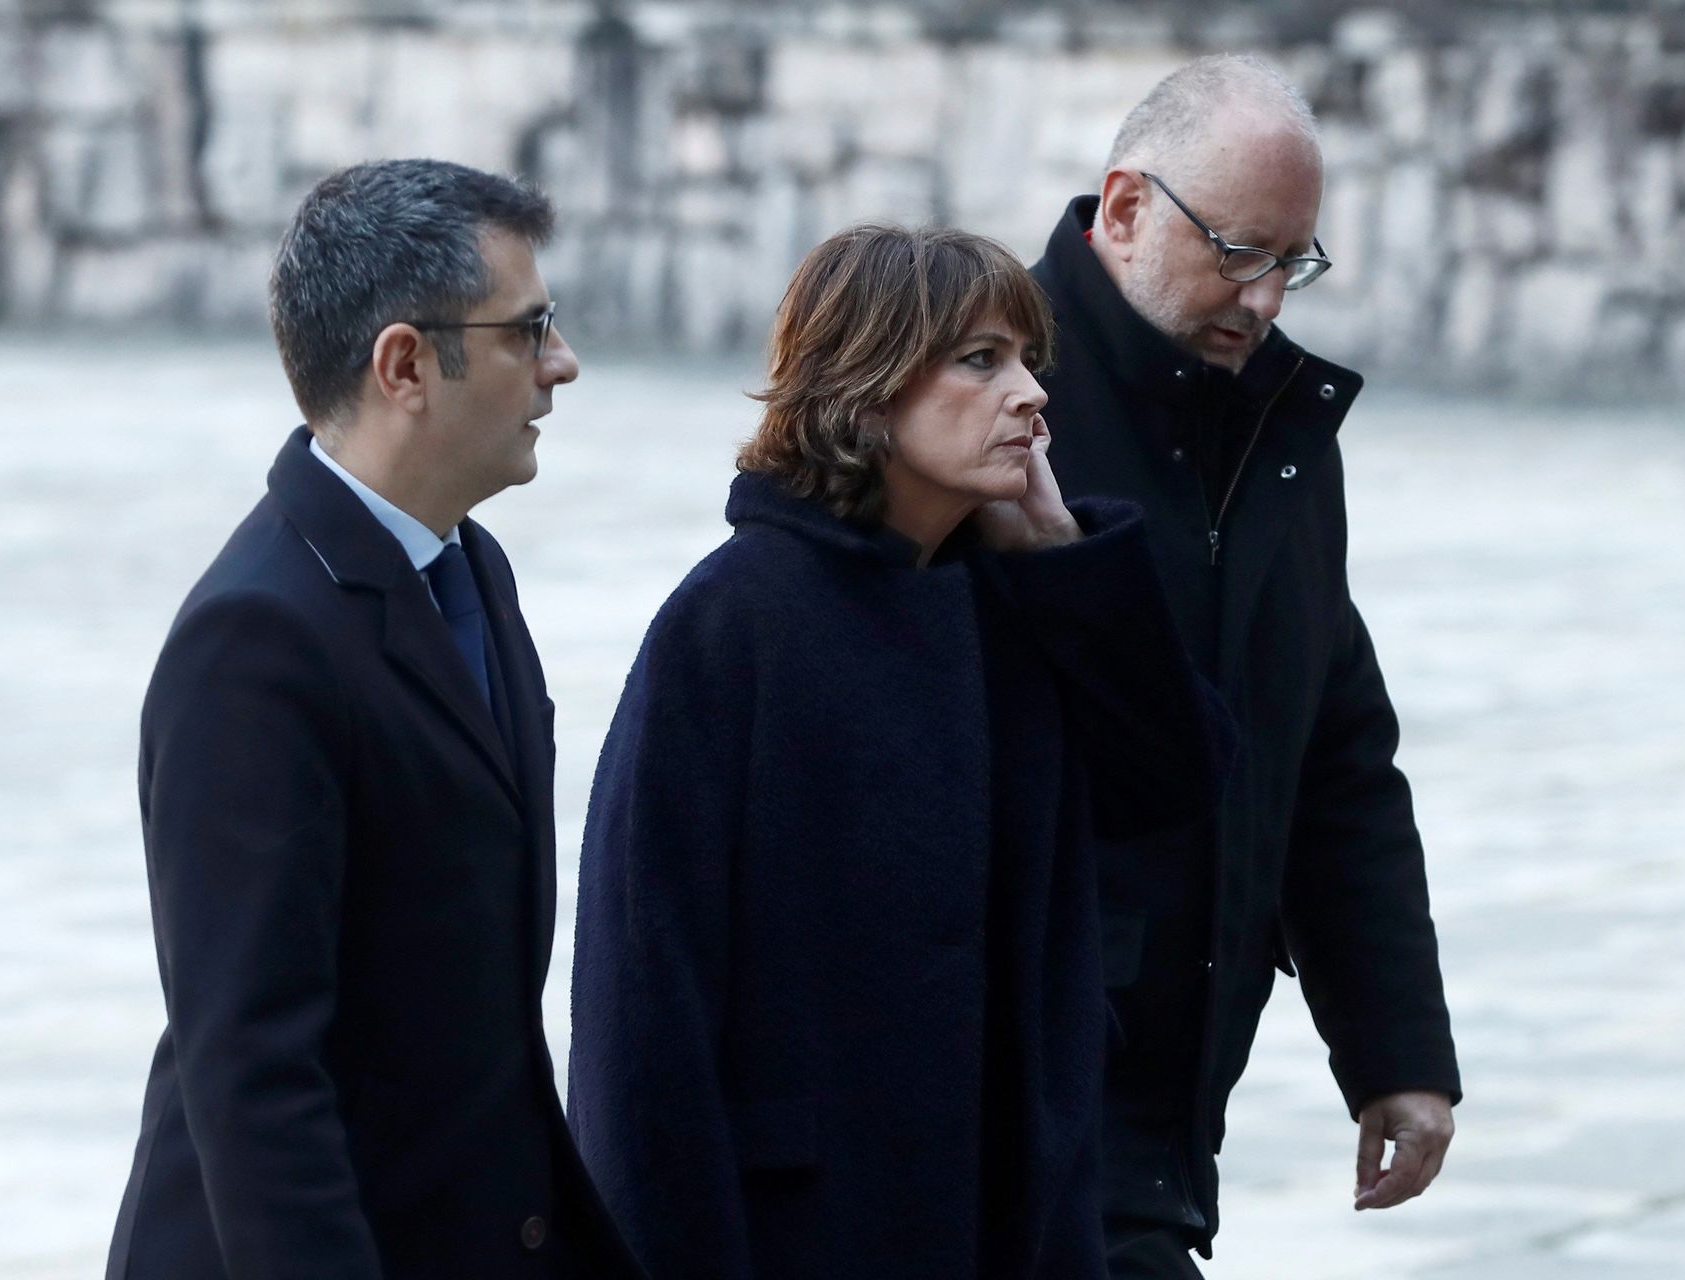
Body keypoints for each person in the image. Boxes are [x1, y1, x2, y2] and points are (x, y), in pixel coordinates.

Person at [566, 224, 1232, 1280]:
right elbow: (641, 1017)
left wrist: (1068, 562)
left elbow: (1178, 789)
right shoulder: (730, 625)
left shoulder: (1023, 605)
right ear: (867, 388)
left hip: (1025, 1222)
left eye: (1029, 360)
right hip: (805, 1231)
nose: (1031, 394)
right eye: (981, 360)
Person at [106, 159, 641, 1279]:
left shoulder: (474, 567)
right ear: (406, 365)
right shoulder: (252, 641)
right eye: (528, 330)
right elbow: (254, 1077)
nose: (562, 362)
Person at [1028, 54, 1464, 1276]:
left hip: (1167, 1121)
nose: (1265, 298)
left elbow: (1334, 748)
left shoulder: (1279, 423)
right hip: (1009, 1100)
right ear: (1125, 207)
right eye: (1236, 252)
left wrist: (1395, 1049)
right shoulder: (993, 391)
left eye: (1292, 261)